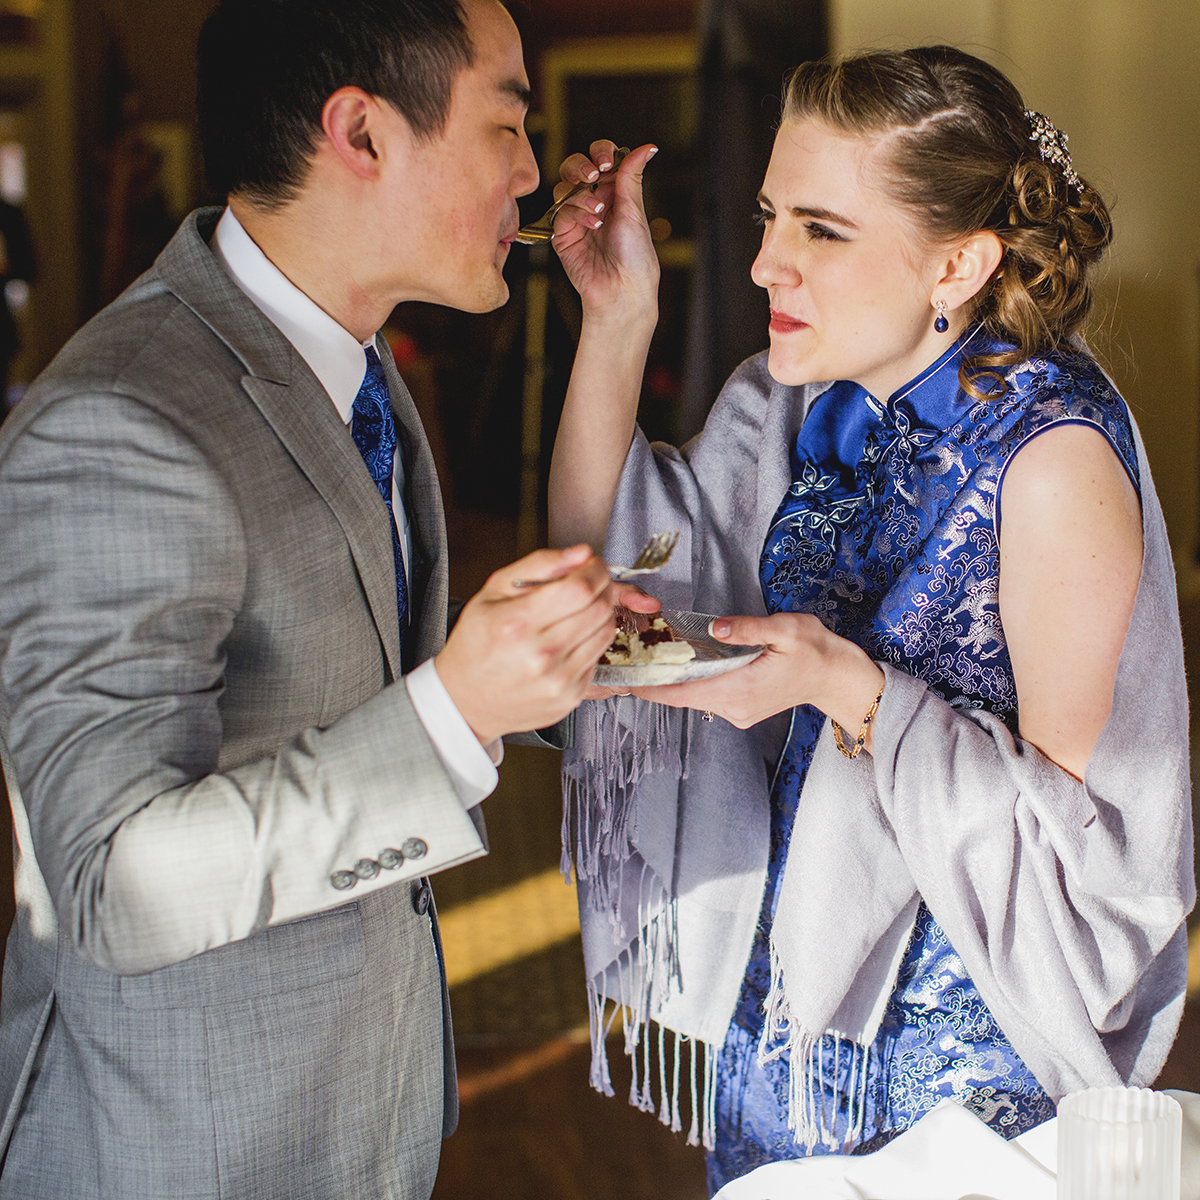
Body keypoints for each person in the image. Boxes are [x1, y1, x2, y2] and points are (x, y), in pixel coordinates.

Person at [0, 1, 635, 1196]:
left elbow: (346, 673)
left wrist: (619, 320)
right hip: (184, 1153)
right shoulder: (119, 423)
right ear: (362, 133)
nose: (531, 172)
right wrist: (455, 711)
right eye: (507, 123)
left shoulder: (349, 362)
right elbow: (109, 882)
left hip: (358, 1112)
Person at [545, 46, 1193, 1193]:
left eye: (822, 231)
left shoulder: (1053, 465)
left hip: (957, 1060)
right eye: (768, 217)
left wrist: (843, 688)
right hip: (783, 1010)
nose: (764, 263)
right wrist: (616, 316)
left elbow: (1078, 862)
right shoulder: (796, 401)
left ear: (958, 264)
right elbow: (615, 563)